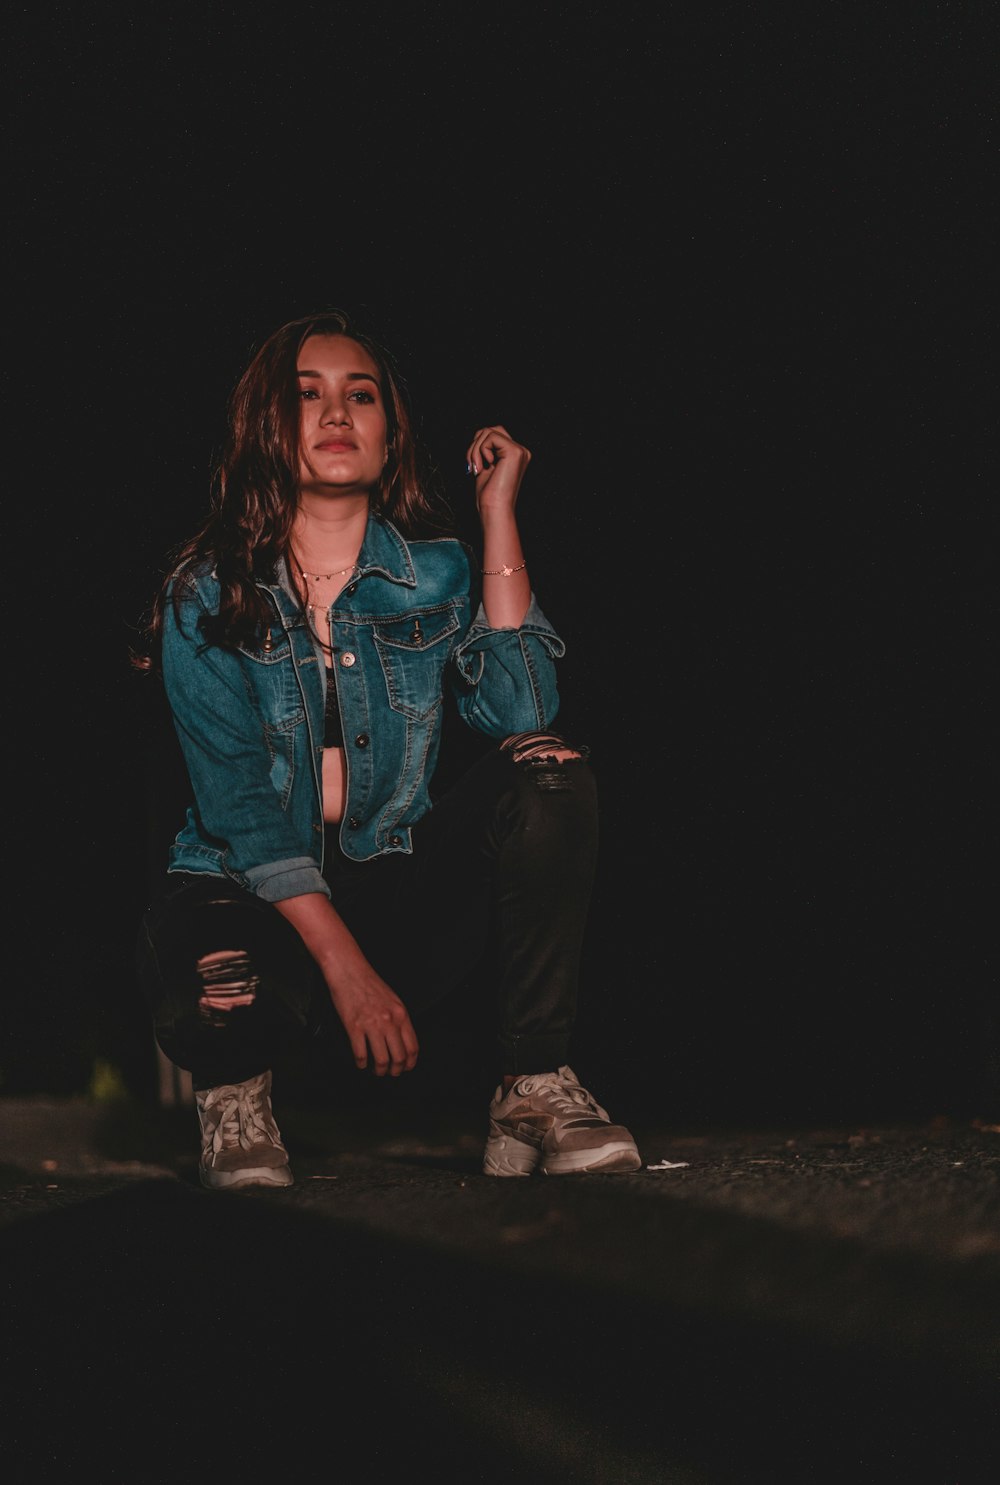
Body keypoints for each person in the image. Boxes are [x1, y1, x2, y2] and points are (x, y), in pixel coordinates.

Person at [134, 307, 641, 1190]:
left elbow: (521, 706)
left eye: (360, 395)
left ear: (388, 430)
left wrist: (497, 517)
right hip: (249, 899)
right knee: (220, 964)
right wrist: (346, 971)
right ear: (266, 426)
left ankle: (532, 1081)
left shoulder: (438, 573)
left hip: (395, 889)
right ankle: (235, 1091)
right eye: (308, 395)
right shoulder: (205, 594)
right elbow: (240, 813)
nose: (337, 413)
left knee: (549, 772)